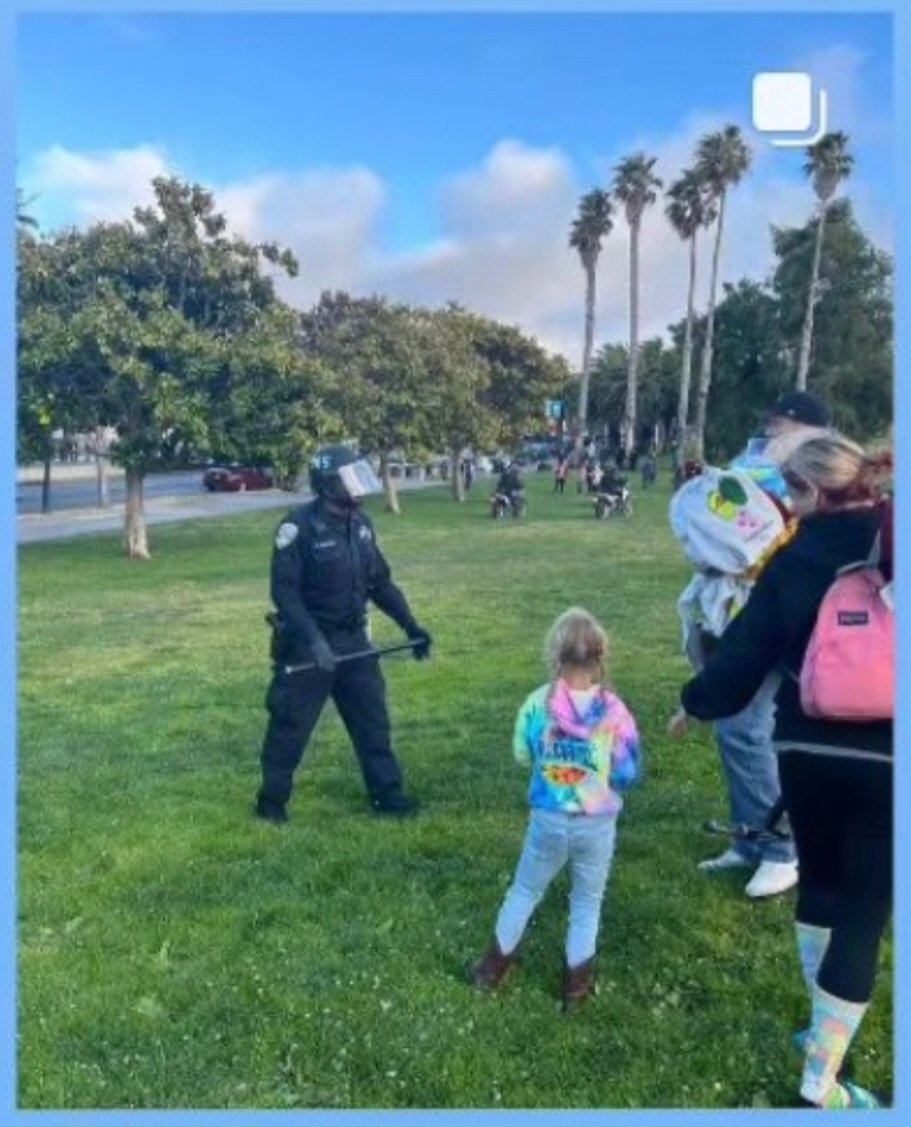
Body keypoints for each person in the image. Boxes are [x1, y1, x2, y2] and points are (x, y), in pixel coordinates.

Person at [669, 435, 893, 1109]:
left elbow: (742, 657)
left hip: (804, 750)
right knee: (863, 913)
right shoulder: (890, 541)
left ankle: (822, 1044)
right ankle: (819, 1083)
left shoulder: (794, 557)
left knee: (821, 890)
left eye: (791, 494)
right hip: (888, 756)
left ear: (812, 492)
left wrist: (692, 704)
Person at [694, 390, 833, 899]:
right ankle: (753, 840)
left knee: (746, 729)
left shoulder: (819, 469)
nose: (772, 424)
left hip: (788, 616)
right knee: (741, 728)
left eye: (784, 418)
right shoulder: (759, 462)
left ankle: (781, 851)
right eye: (773, 416)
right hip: (750, 608)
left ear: (808, 426)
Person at [470, 608, 642, 1010]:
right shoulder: (615, 712)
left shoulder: (537, 704)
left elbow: (520, 754)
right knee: (586, 902)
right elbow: (629, 771)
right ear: (600, 658)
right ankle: (575, 990)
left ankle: (489, 971)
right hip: (596, 823)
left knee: (525, 889)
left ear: (556, 656)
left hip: (547, 818)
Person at [254, 445, 433, 824]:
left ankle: (388, 797)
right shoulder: (296, 528)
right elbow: (284, 594)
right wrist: (315, 643)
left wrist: (411, 625)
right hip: (307, 646)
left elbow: (380, 583)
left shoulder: (362, 525)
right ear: (327, 484)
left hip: (354, 642)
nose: (358, 487)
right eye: (349, 479)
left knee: (373, 723)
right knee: (290, 727)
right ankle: (271, 804)